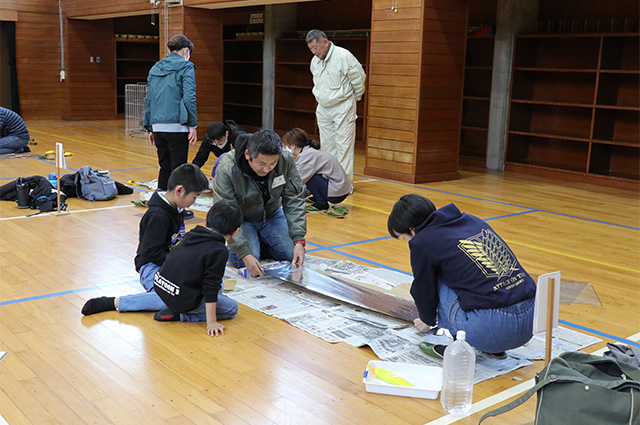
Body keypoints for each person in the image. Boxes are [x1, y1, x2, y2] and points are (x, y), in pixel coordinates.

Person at [387, 194, 536, 359]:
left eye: (404, 237)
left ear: (412, 229)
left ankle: (457, 347)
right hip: (531, 322)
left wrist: (426, 320)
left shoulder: (422, 241)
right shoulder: (472, 220)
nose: (407, 242)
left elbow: (423, 289)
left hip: (491, 331)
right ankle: (492, 346)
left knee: (435, 277)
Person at [81, 163, 209, 319]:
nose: (194, 202)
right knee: (168, 298)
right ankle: (113, 302)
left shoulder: (176, 208)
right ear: (180, 191)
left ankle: (177, 310)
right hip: (151, 265)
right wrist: (178, 265)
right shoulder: (158, 216)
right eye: (194, 197)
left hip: (168, 263)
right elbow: (150, 252)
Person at [213, 129, 307, 278]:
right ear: (248, 155)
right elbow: (225, 213)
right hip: (240, 220)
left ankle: (261, 240)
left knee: (292, 255)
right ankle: (254, 243)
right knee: (244, 260)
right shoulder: (227, 168)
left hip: (271, 214)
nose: (267, 169)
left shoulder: (286, 160)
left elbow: (294, 199)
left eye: (273, 163)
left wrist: (299, 239)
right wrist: (244, 253)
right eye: (261, 163)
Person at [152, 200, 243, 336]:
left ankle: (181, 308)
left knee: (221, 286)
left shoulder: (193, 233)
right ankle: (182, 315)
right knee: (232, 308)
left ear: (206, 221)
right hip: (181, 299)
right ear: (235, 232)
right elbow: (210, 286)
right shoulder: (219, 250)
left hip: (162, 287)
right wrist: (211, 322)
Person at [306, 29, 366, 188]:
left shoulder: (343, 56)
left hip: (343, 106)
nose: (314, 51)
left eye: (315, 47)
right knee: (327, 146)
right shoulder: (315, 61)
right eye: (311, 49)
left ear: (325, 42)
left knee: (343, 147)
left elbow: (359, 79)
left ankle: (344, 186)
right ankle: (330, 182)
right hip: (323, 108)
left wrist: (355, 97)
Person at [143, 35, 197, 195]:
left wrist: (151, 127)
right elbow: (189, 97)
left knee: (164, 167)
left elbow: (149, 98)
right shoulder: (186, 67)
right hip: (177, 126)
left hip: (158, 125)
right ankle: (176, 209)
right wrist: (192, 124)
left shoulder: (155, 68)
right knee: (179, 169)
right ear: (186, 51)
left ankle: (160, 203)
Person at [282, 127, 351, 215]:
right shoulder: (308, 150)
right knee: (311, 174)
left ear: (293, 146)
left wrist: (285, 197)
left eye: (286, 145)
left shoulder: (307, 155)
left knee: (311, 175)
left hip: (336, 193)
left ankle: (321, 202)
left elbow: (297, 180)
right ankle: (318, 196)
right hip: (339, 188)